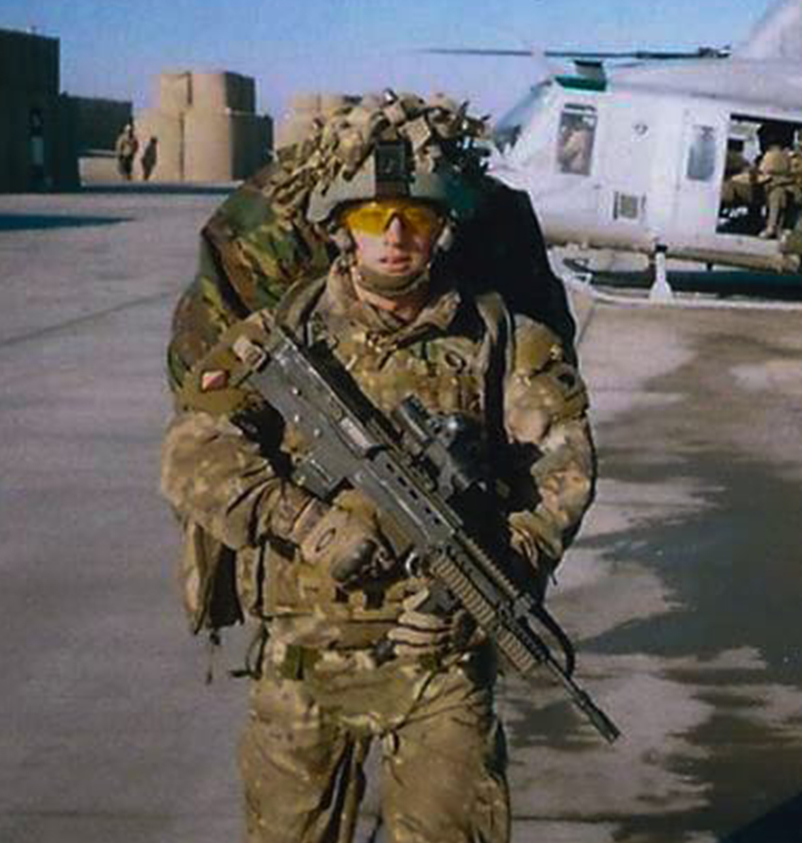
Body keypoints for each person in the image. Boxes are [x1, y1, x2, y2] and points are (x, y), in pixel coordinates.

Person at [160, 125, 597, 843]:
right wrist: (306, 522)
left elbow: (564, 466)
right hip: (304, 662)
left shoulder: (501, 339)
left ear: (441, 228)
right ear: (340, 228)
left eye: (415, 218)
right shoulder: (279, 336)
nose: (394, 237)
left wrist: (493, 579)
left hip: (441, 665)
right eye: (372, 218)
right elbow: (192, 452)